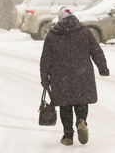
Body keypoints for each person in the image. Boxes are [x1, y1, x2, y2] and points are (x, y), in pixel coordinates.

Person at [40, 7, 109, 146]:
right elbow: (96, 50)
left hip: (60, 75)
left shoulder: (53, 34)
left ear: (60, 19)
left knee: (65, 105)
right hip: (82, 72)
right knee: (81, 100)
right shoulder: (84, 30)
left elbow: (45, 58)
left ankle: (68, 136)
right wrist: (103, 68)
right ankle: (81, 121)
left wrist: (44, 77)